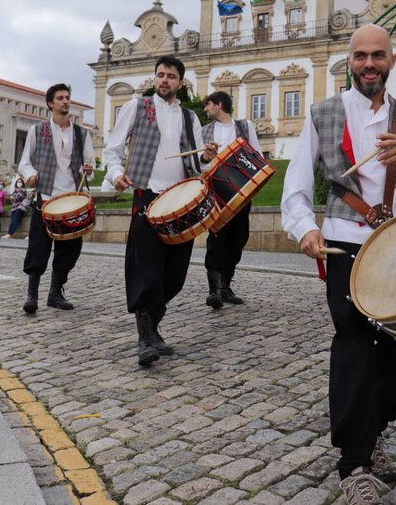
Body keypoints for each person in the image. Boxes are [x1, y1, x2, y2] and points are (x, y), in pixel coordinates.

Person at [282, 25, 396, 503]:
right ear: (349, 61)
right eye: (360, 56)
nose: (369, 64)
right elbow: (296, 185)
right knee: (355, 342)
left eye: (378, 55)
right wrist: (304, 228)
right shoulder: (323, 113)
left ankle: (373, 429)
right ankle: (355, 462)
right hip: (346, 241)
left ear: (392, 60)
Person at [104, 56, 217, 367]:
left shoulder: (190, 117)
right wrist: (116, 175)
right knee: (146, 269)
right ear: (155, 79)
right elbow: (113, 149)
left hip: (181, 200)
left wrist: (207, 158)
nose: (164, 80)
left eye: (170, 76)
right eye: (160, 75)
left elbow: (196, 163)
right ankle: (144, 339)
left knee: (175, 273)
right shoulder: (137, 107)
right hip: (146, 194)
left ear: (180, 82)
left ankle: (153, 327)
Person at [18, 84, 94, 315]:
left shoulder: (82, 134)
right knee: (38, 247)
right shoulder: (37, 130)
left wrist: (88, 169)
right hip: (46, 197)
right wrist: (30, 175)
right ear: (50, 103)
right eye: (60, 98)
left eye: (67, 97)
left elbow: (89, 162)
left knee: (70, 249)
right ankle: (32, 295)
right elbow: (24, 162)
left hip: (72, 198)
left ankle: (55, 293)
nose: (65, 102)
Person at [200, 90, 262, 309]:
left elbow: (257, 154)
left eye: (208, 105)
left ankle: (225, 285)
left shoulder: (245, 127)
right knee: (217, 237)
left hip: (241, 190)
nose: (205, 109)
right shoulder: (204, 131)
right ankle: (214, 290)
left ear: (219, 104)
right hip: (215, 190)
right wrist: (205, 158)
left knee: (238, 237)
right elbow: (198, 164)